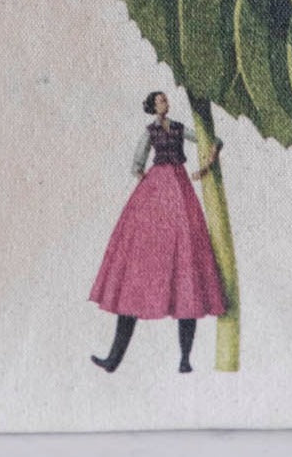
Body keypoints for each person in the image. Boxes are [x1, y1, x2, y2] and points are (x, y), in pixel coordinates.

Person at [89, 91, 226, 373]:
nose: (165, 103)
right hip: (159, 189)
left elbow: (208, 138)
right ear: (153, 107)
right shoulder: (149, 131)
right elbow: (137, 163)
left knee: (187, 267)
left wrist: (211, 154)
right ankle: (114, 359)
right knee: (136, 275)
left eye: (165, 99)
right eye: (161, 100)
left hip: (178, 188)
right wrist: (148, 191)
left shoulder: (177, 128)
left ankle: (185, 359)